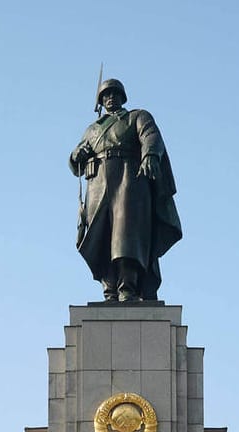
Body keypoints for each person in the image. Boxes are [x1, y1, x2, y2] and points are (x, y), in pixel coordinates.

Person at [69, 78, 182, 302]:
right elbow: (74, 164)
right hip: (98, 183)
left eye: (114, 94)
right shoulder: (92, 130)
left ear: (123, 97)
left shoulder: (136, 117)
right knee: (100, 236)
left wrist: (149, 155)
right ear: (100, 101)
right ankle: (109, 289)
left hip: (128, 180)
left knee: (126, 236)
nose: (110, 98)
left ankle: (127, 287)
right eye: (105, 95)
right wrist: (76, 156)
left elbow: (151, 135)